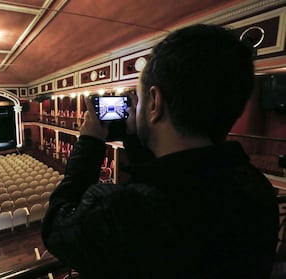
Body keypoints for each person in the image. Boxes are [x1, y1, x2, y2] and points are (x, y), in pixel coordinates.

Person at [41, 24, 279, 278]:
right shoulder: (256, 187)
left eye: (140, 100)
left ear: (155, 102)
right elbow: (171, 177)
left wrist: (89, 142)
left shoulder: (122, 211)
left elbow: (56, 226)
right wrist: (136, 138)